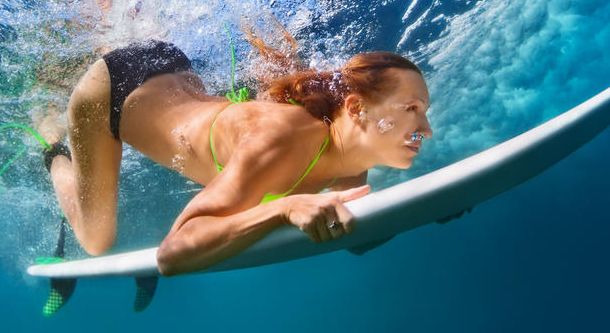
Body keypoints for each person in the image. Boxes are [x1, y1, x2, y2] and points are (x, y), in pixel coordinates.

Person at [39, 26, 432, 277]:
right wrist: (283, 208)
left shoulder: (350, 169)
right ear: (356, 110)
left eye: (424, 113)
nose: (426, 130)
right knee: (96, 242)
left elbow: (351, 238)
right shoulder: (286, 138)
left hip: (167, 66)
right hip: (111, 93)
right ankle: (52, 149)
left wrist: (433, 211)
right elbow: (172, 254)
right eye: (411, 110)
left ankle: (109, 29)